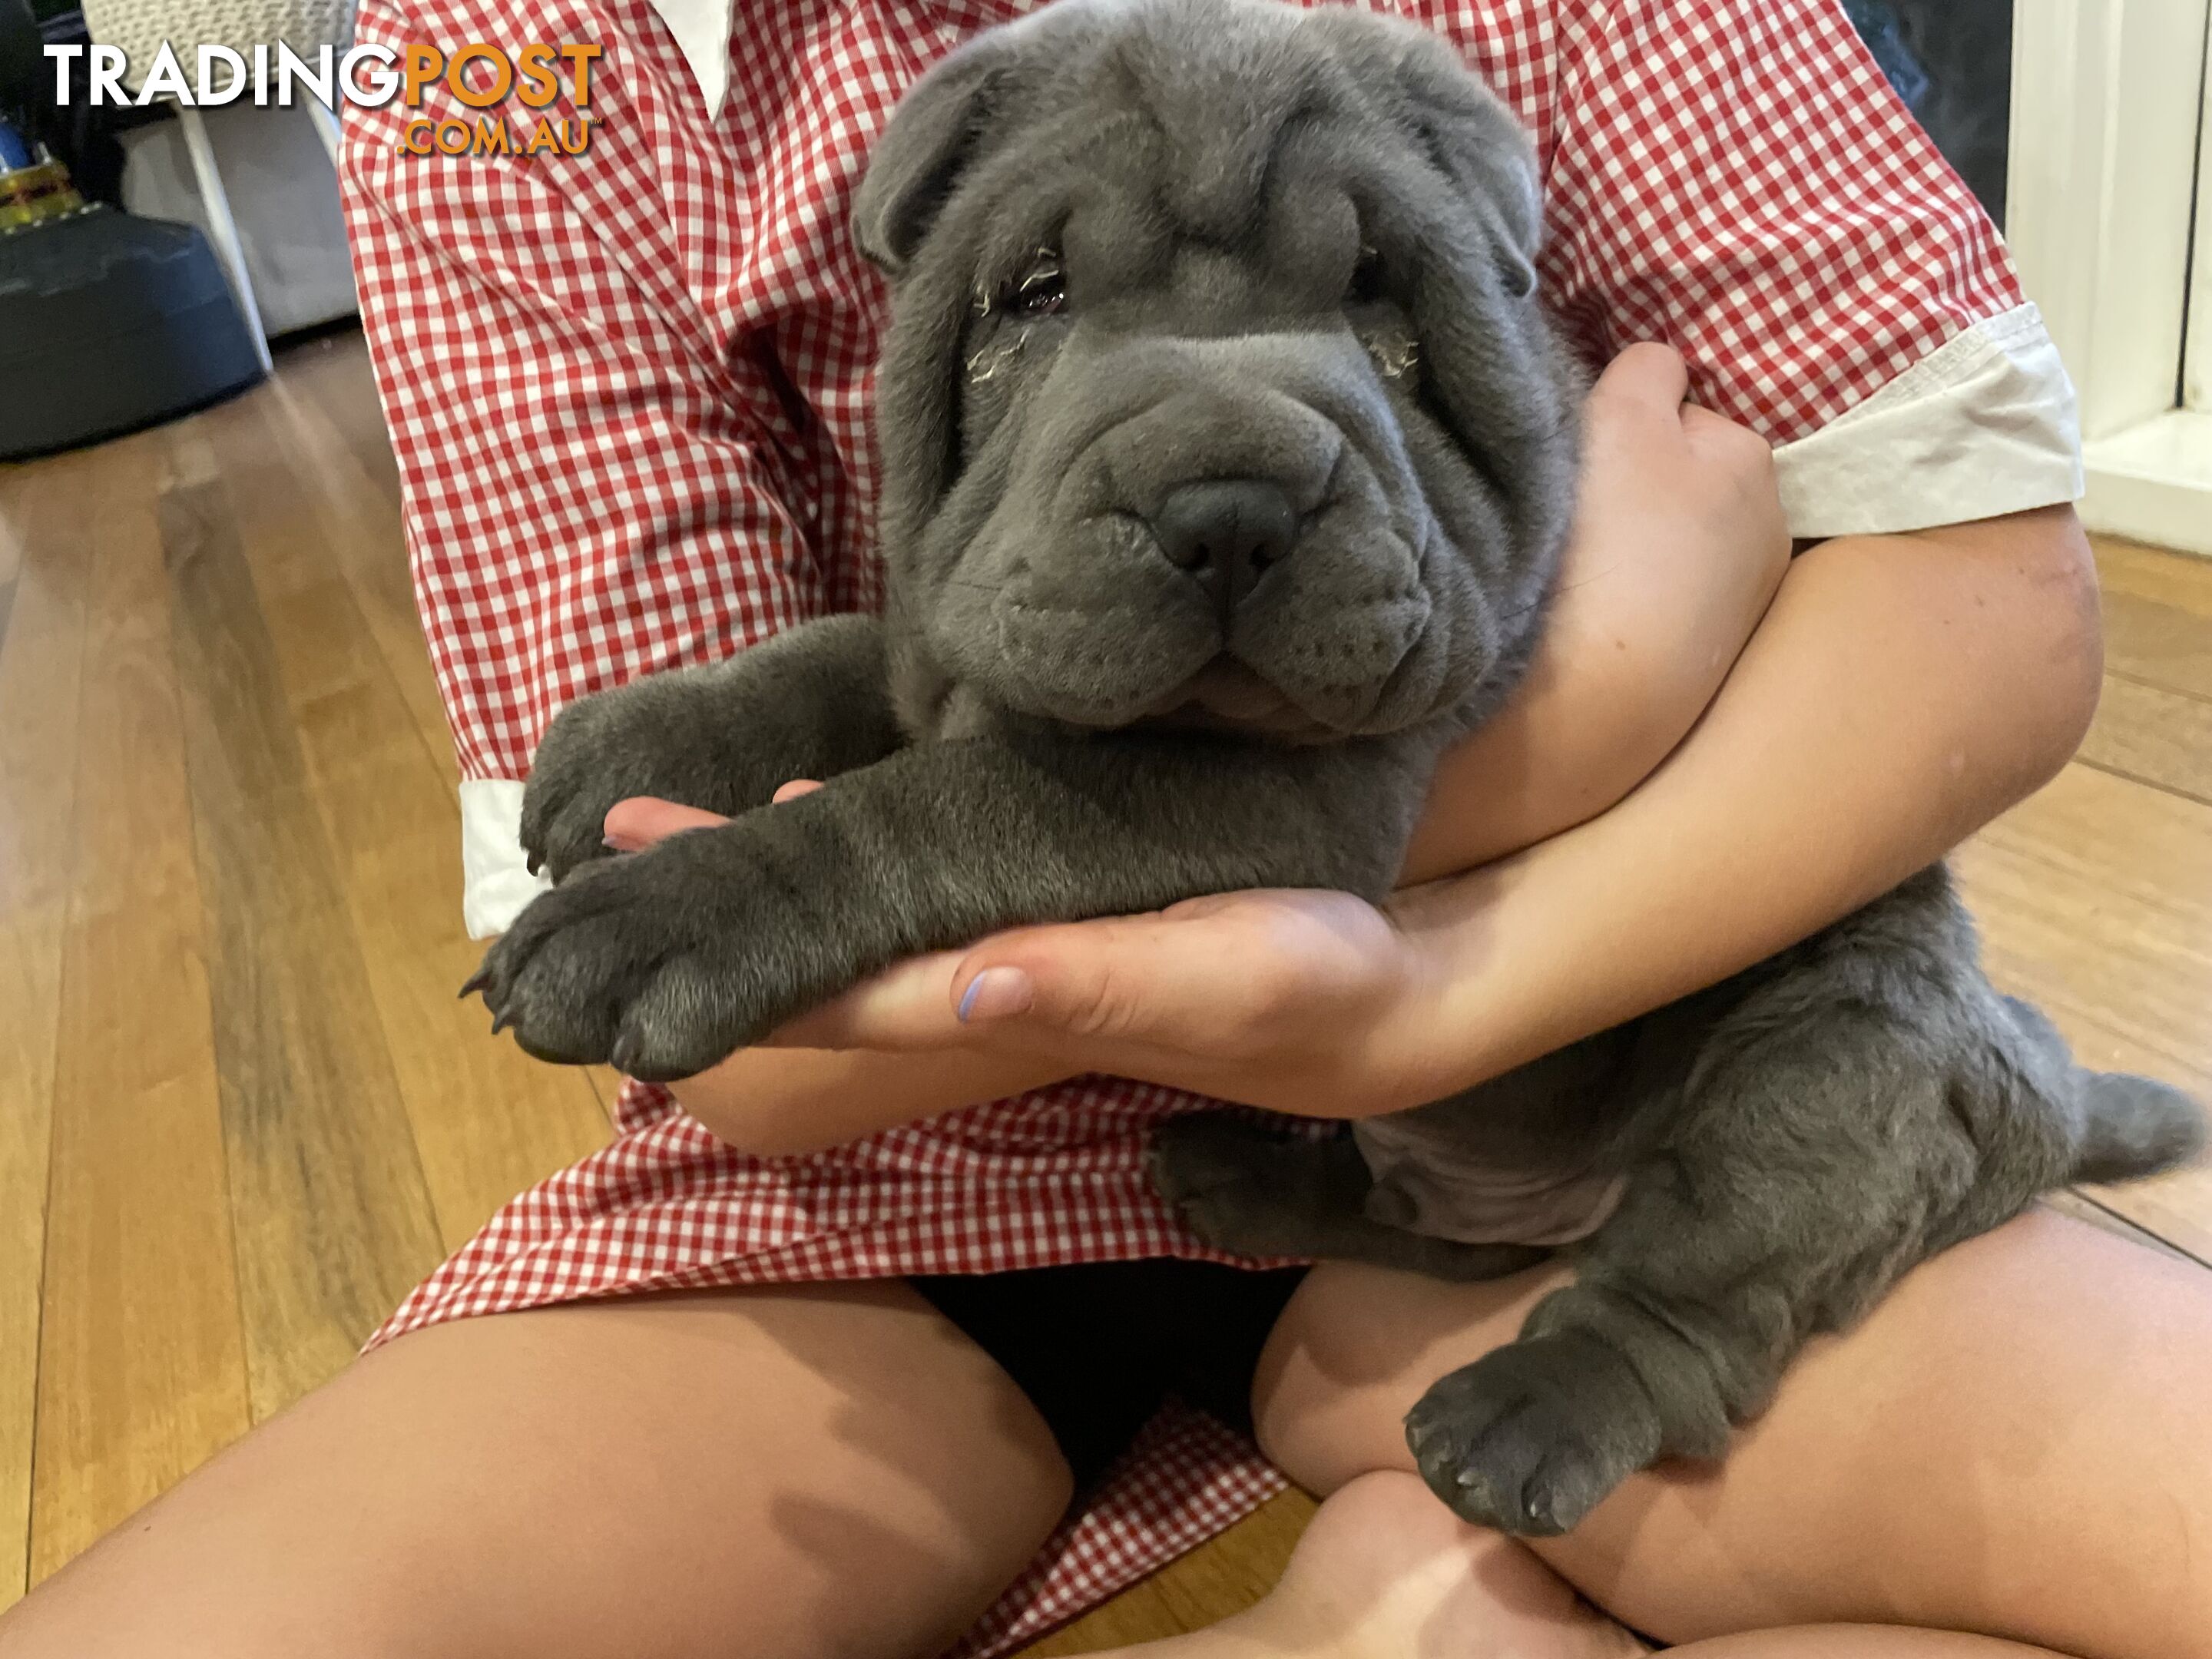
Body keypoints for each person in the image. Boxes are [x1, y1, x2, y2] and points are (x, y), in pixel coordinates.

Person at [5, 2, 2207, 1657]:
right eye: (1045, 298)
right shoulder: (493, 52)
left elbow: (1991, 595)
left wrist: (1433, 1006)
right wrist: (1607, 679)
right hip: (895, 1217)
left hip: (1600, 1139)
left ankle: (1410, 1592)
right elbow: (708, 1011)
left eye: (1379, 298)